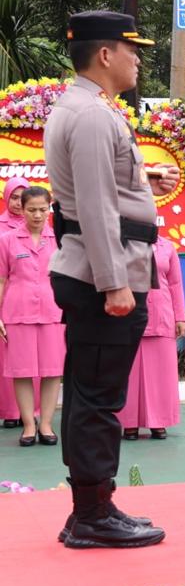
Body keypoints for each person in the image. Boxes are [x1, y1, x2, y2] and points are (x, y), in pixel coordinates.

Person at [46, 11, 178, 550]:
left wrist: (141, 176)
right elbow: (97, 206)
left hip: (89, 267)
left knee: (86, 392)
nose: (138, 58)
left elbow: (93, 185)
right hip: (106, 272)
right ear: (106, 55)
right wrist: (114, 283)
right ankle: (92, 516)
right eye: (132, 49)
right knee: (99, 397)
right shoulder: (97, 116)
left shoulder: (78, 107)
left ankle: (91, 505)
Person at [0, 186, 62, 446]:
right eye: (31, 210)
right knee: (22, 371)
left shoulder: (60, 239)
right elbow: (1, 280)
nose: (37, 215)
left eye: (42, 209)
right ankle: (28, 425)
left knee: (52, 370)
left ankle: (46, 424)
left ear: (49, 209)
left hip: (54, 311)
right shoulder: (7, 240)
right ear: (21, 210)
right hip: (17, 311)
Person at [118, 238, 185, 440]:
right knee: (128, 373)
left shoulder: (167, 247)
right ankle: (129, 423)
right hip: (128, 315)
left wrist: (180, 317)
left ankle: (159, 422)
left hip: (162, 315)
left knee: (162, 373)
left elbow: (175, 284)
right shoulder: (121, 243)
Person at [0, 176, 30, 428]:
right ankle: (10, 412)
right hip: (5, 298)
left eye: (23, 197)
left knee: (31, 357)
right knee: (7, 358)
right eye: (14, 196)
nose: (18, 202)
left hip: (31, 302)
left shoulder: (39, 225)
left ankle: (31, 413)